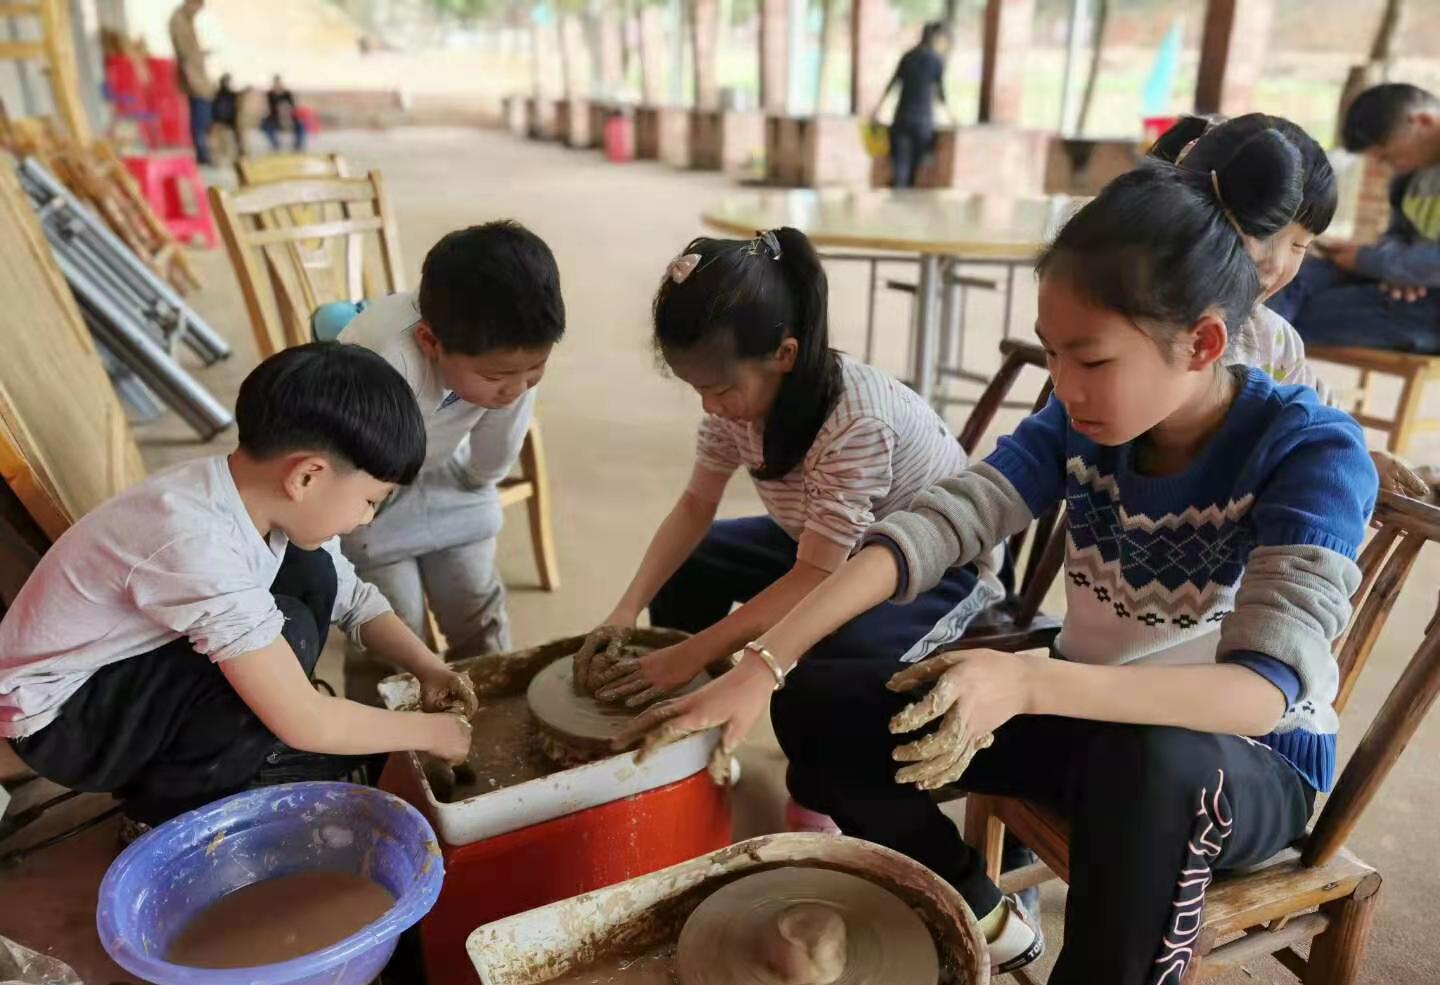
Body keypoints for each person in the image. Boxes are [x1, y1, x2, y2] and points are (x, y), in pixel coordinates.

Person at [614, 142, 1377, 985]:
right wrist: (758, 665)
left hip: (1243, 768)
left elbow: (1259, 693)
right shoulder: (1079, 421)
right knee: (816, 710)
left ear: (1204, 342)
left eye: (1091, 359)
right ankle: (979, 910)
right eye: (1053, 355)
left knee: (1154, 771)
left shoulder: (1310, 450)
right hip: (1078, 706)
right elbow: (935, 527)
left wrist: (1023, 677)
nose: (1065, 386)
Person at [573, 227, 1003, 801]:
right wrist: (625, 610)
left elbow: (815, 579)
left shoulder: (855, 423)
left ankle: (821, 792)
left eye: (720, 388)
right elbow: (696, 505)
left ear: (784, 355)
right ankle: (691, 713)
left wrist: (701, 651)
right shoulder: (737, 406)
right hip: (826, 544)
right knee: (694, 562)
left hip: (932, 572)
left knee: (824, 670)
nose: (710, 405)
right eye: (698, 389)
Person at [0, 344, 476, 838]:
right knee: (282, 646)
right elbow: (305, 721)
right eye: (370, 501)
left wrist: (428, 667)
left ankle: (239, 743)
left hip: (119, 673)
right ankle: (160, 817)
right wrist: (433, 733)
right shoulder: (197, 542)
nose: (365, 518)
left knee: (312, 575)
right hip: (62, 722)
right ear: (307, 475)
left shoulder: (247, 494)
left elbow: (352, 600)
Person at [325, 222, 564, 663]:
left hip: (447, 472)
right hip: (365, 493)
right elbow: (347, 467)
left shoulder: (512, 358)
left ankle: (484, 710)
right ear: (430, 342)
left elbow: (498, 444)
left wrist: (479, 479)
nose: (515, 388)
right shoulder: (383, 360)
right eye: (495, 377)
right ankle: (389, 729)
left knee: (476, 610)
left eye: (535, 368)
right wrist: (361, 509)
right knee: (395, 631)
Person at [1155, 112, 1429, 497]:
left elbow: (1324, 422)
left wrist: (1362, 456)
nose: (1276, 265)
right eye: (1263, 234)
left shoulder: (1273, 340)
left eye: (1300, 245)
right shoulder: (1140, 327)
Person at [1269, 83, 1440, 354]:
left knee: (1294, 315)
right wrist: (1394, 269)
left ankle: (1256, 374)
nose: (1388, 165)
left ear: (1423, 121)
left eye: (1389, 156)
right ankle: (1258, 366)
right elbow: (1398, 235)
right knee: (1287, 279)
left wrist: (1372, 262)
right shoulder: (1411, 176)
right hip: (1404, 281)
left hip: (1431, 308)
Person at [870, 21, 953, 189]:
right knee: (915, 168)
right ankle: (906, 202)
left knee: (900, 165)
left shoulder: (908, 57)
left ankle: (898, 199)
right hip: (923, 122)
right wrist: (951, 115)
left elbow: (891, 85)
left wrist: (877, 109)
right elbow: (941, 94)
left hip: (903, 118)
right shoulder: (936, 61)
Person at [168, 0, 213, 166]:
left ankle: (203, 152)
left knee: (202, 115)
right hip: (193, 77)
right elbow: (184, 54)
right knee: (200, 116)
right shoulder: (178, 20)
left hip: (196, 74)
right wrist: (193, 79)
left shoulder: (186, 19)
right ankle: (201, 154)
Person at [262, 75, 306, 152]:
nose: (277, 85)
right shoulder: (270, 94)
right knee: (265, 125)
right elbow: (269, 108)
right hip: (275, 119)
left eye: (278, 83)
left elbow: (293, 107)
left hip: (289, 118)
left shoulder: (287, 94)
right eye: (276, 83)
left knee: (301, 124)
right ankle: (275, 145)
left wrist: (287, 115)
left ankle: (298, 146)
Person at [211, 74, 246, 159]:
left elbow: (237, 109)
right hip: (220, 122)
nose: (227, 83)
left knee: (238, 136)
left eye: (228, 81)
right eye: (226, 81)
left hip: (231, 122)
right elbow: (215, 109)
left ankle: (241, 154)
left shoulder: (233, 95)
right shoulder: (217, 95)